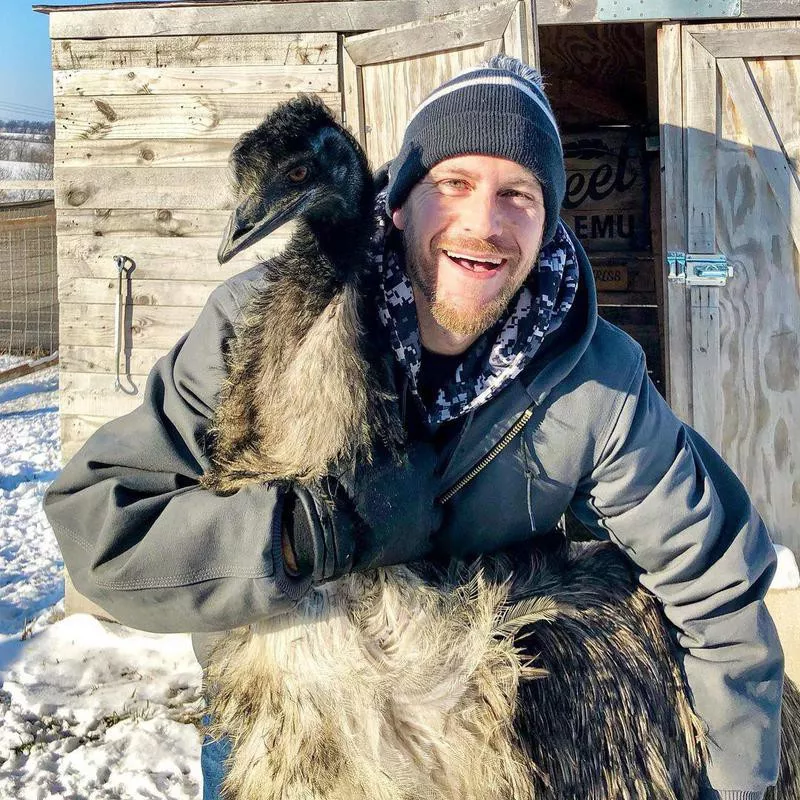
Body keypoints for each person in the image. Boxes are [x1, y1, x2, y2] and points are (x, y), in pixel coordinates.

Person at [43, 55, 783, 800]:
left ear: (550, 219)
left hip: (471, 737)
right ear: (398, 202)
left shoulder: (596, 376)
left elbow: (713, 583)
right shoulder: (253, 329)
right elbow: (104, 536)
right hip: (282, 729)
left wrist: (740, 784)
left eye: (517, 195)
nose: (483, 224)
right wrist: (309, 533)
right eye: (452, 184)